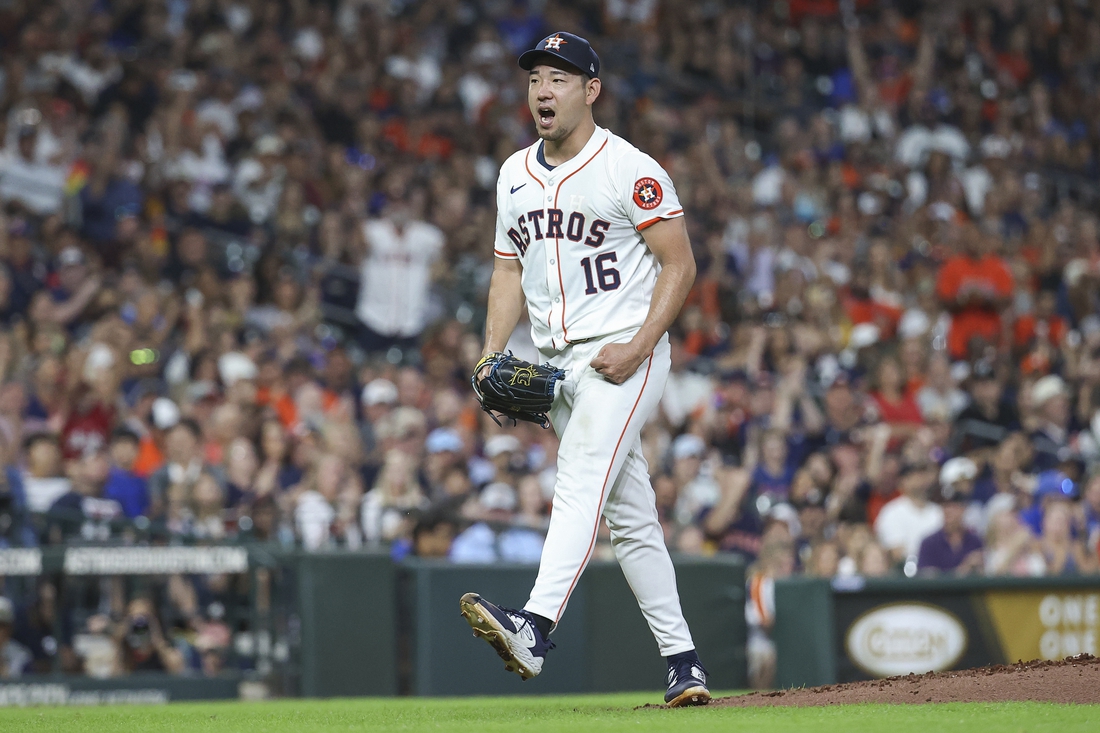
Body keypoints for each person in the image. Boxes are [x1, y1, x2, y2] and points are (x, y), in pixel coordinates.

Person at [458, 32, 709, 707]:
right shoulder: (514, 172)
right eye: (536, 76)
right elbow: (507, 267)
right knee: (630, 515)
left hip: (625, 349)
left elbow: (680, 265)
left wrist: (641, 344)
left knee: (579, 477)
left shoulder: (629, 168)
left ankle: (534, 628)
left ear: (591, 91)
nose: (544, 88)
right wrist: (491, 349)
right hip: (562, 361)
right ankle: (684, 662)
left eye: (560, 78)